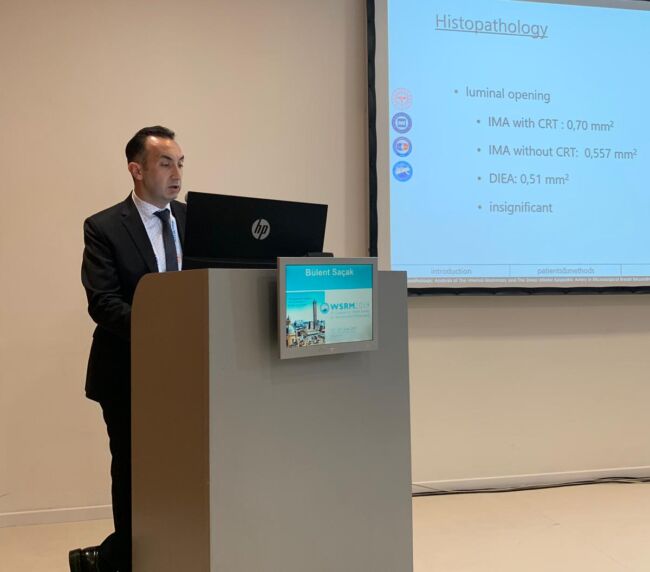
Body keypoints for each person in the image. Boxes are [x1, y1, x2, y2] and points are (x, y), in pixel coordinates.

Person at [70, 126, 186, 572]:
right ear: (136, 170)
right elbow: (103, 302)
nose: (176, 173)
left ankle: (174, 549)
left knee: (185, 466)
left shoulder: (197, 220)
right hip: (127, 370)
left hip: (190, 369)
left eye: (180, 163)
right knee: (134, 468)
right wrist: (163, 331)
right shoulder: (103, 227)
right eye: (165, 163)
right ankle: (126, 558)